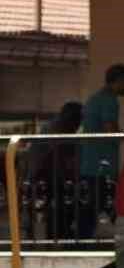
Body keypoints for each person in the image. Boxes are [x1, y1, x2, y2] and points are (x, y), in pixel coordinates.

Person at [78, 63, 124, 238]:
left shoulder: (95, 98)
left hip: (90, 163)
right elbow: (110, 129)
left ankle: (85, 240)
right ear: (119, 80)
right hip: (102, 164)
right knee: (105, 205)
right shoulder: (109, 100)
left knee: (91, 207)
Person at [28, 101, 82, 241]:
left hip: (44, 174)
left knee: (56, 208)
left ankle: (56, 237)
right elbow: (58, 156)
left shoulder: (56, 126)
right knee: (57, 208)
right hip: (46, 175)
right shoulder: (59, 128)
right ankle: (58, 238)